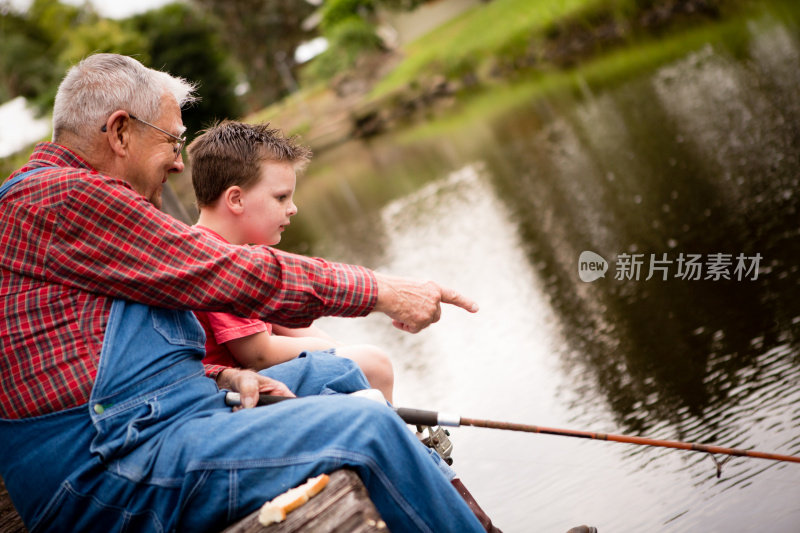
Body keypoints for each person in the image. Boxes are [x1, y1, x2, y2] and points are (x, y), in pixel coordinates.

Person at [0, 53, 493, 533]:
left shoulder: (75, 207)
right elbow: (235, 272)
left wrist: (218, 375)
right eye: (172, 140)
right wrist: (382, 290)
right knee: (366, 430)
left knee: (339, 371)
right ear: (121, 131)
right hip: (108, 471)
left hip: (153, 430)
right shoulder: (57, 199)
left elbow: (91, 360)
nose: (178, 162)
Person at [188, 121, 394, 402]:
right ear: (236, 199)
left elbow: (289, 324)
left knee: (359, 359)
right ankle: (400, 441)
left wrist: (338, 349)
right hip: (228, 393)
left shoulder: (229, 250)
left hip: (252, 380)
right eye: (281, 197)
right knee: (375, 365)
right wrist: (336, 354)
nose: (293, 208)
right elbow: (258, 354)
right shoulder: (215, 256)